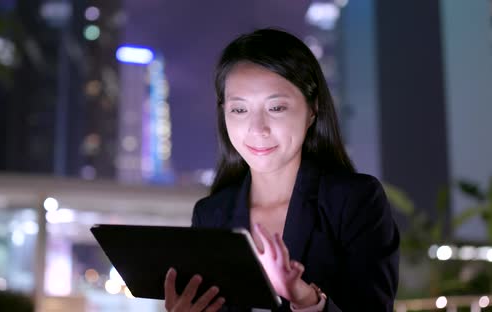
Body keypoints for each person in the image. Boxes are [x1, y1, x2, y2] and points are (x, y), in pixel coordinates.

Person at [164, 28, 399, 312]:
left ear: (312, 110)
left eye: (276, 108)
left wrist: (305, 299)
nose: (257, 129)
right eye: (239, 110)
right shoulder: (210, 214)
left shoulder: (354, 200)